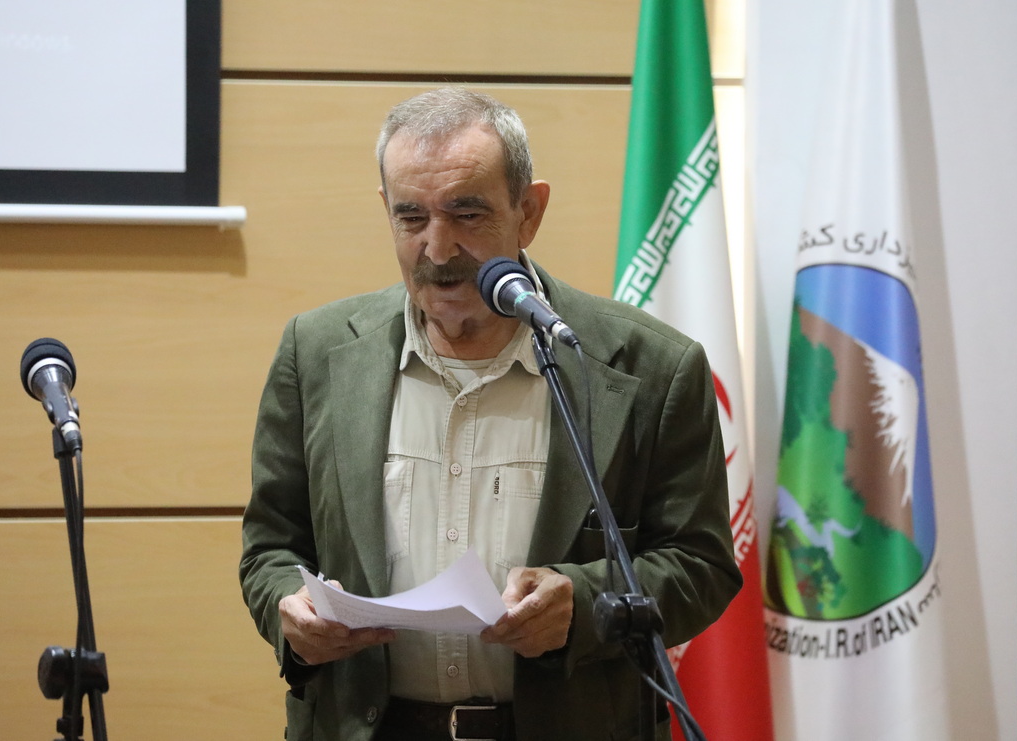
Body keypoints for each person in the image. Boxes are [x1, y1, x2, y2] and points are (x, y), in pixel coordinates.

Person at [240, 87, 741, 741]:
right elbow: (270, 546)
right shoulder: (315, 352)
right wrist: (292, 611)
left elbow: (701, 563)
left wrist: (584, 603)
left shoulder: (650, 367)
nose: (437, 248)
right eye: (411, 217)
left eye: (466, 214)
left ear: (528, 212)